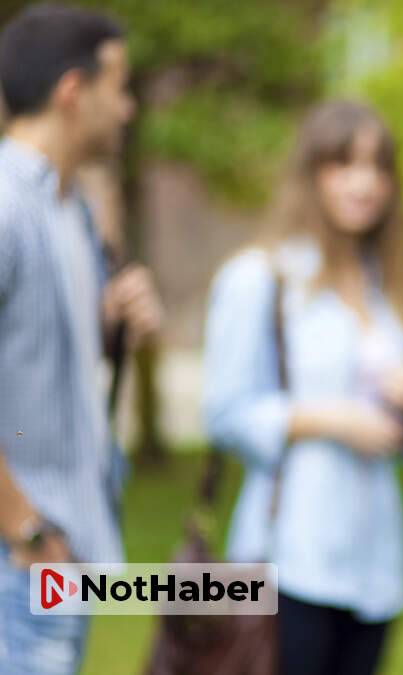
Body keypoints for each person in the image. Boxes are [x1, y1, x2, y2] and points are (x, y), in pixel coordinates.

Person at [204, 100, 403, 675]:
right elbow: (224, 413)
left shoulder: (385, 289)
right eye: (344, 164)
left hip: (375, 561)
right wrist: (334, 419)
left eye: (379, 167)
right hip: (289, 555)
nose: (366, 183)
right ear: (310, 174)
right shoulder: (262, 278)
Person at [0, 3, 161, 673]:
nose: (126, 109)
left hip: (66, 563)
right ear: (73, 92)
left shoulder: (68, 208)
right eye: (118, 87)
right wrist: (25, 525)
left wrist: (110, 323)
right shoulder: (6, 205)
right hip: (21, 567)